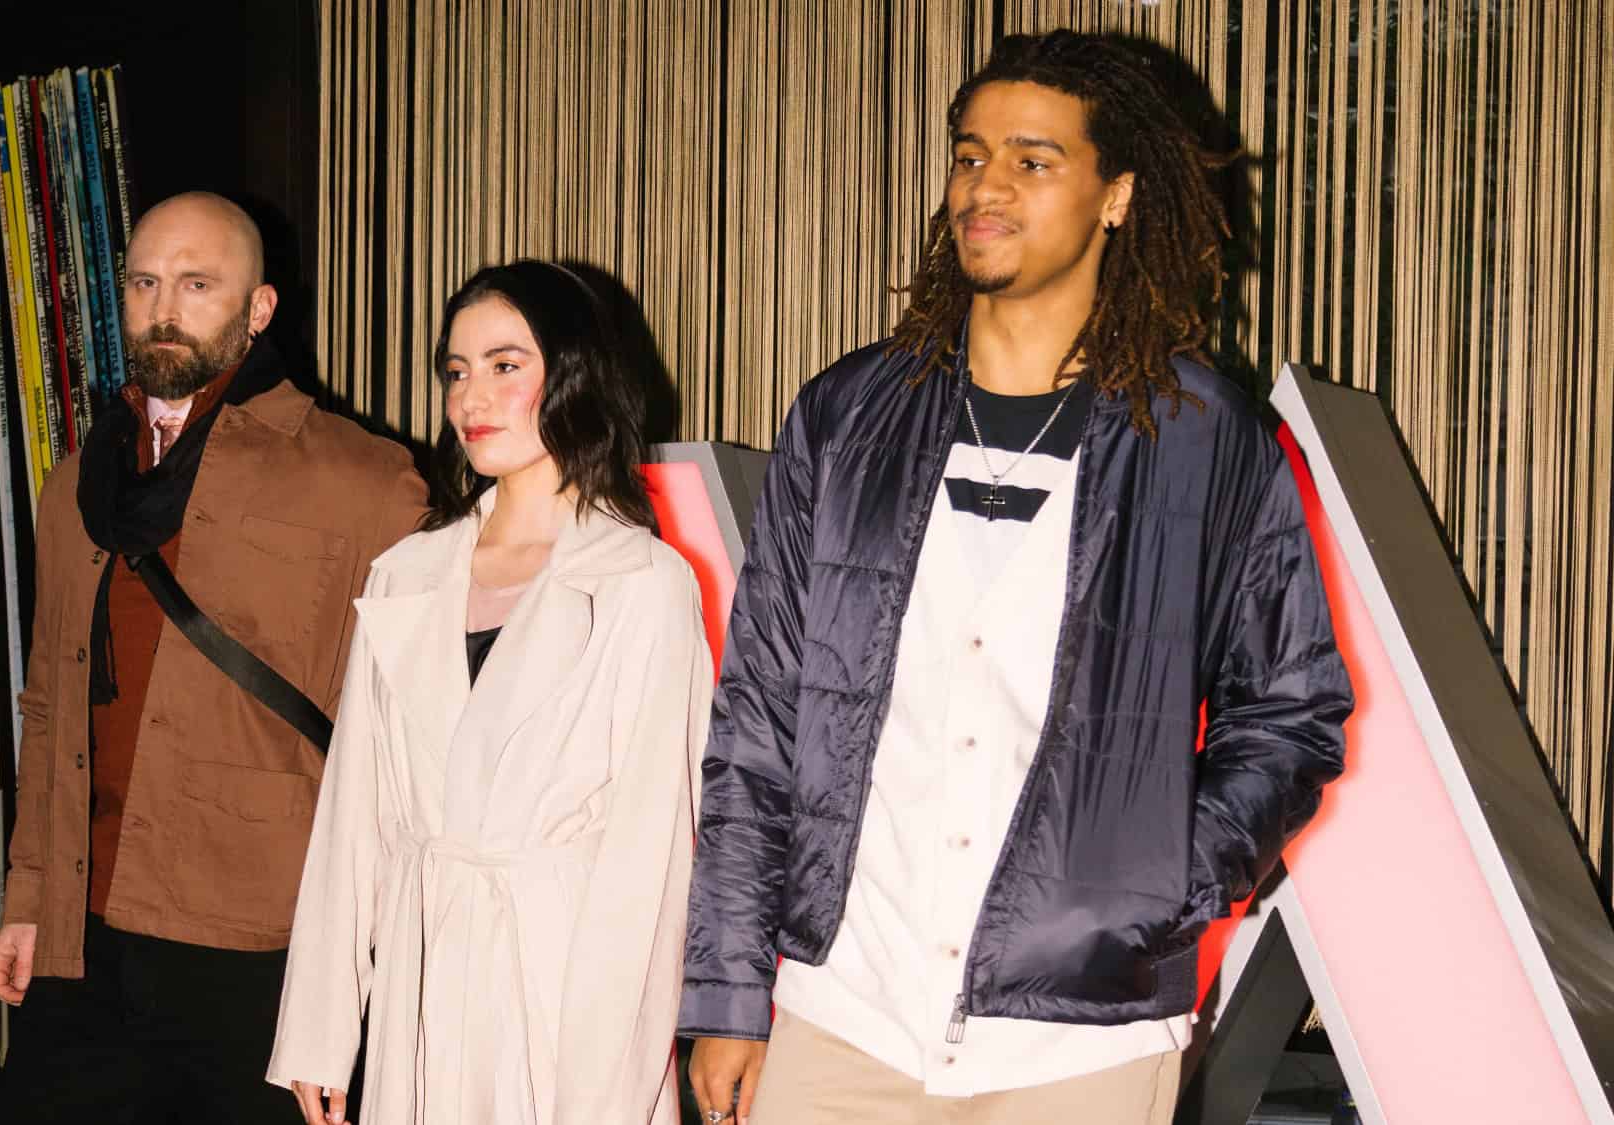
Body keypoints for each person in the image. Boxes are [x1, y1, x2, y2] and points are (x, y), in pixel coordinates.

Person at [679, 30, 1353, 1125]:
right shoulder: (848, 416)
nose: (984, 185)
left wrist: (1150, 892)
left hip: (1075, 1042)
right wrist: (725, 992)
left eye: (1032, 160)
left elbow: (1286, 712)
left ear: (1116, 197)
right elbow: (757, 719)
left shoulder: (1202, 437)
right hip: (843, 1011)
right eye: (967, 153)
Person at [0, 191, 428, 1123]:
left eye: (197, 283)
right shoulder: (79, 478)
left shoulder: (365, 480)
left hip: (261, 942)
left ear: (259, 308)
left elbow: (411, 740)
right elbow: (46, 703)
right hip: (83, 932)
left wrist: (369, 968)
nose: (165, 307)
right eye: (145, 282)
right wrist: (28, 895)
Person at [268, 259, 711, 1125]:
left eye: (506, 365)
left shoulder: (643, 580)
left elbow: (654, 860)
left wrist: (609, 1084)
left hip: (566, 989)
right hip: (422, 978)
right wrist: (321, 1027)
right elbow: (353, 818)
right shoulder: (407, 573)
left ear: (575, 374)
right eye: (457, 371)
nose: (473, 396)